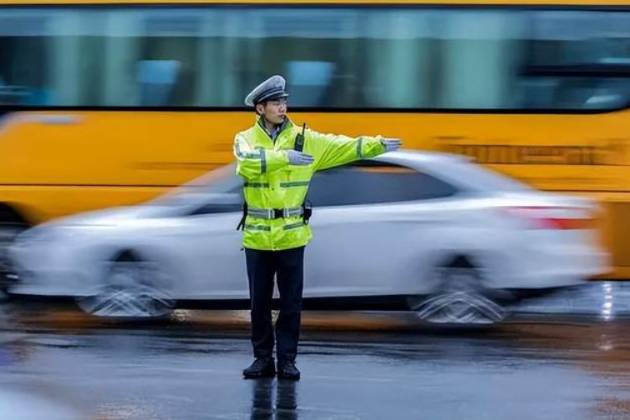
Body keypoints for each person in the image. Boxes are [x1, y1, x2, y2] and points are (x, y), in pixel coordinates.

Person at [235, 75, 401, 380]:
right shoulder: (245, 138)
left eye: (284, 101)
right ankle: (262, 359)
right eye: (275, 103)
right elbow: (245, 162)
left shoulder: (305, 138)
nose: (282, 107)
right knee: (258, 304)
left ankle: (286, 360)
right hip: (257, 238)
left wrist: (376, 145)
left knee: (290, 304)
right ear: (260, 108)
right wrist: (285, 157)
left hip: (292, 236)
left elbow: (343, 146)